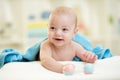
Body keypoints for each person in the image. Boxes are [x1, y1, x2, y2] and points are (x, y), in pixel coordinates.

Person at [39, 6, 97, 73]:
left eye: (64, 29)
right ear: (47, 28)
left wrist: (90, 57)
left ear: (74, 33)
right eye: (52, 28)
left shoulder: (75, 47)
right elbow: (45, 60)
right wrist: (61, 68)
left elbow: (84, 55)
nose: (58, 33)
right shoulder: (46, 46)